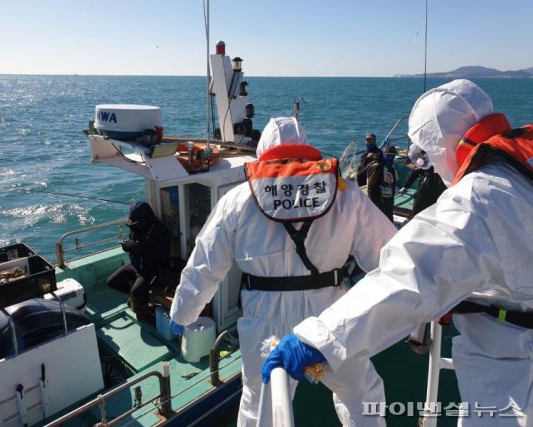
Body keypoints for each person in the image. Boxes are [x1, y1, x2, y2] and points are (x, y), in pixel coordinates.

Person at [262, 79, 533, 425]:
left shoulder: (478, 199)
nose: (430, 167)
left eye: (426, 153)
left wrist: (318, 339)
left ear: (442, 142)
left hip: (515, 368)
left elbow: (409, 275)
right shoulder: (517, 169)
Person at [169, 117, 397, 427]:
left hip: (264, 322)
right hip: (330, 316)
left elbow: (204, 265)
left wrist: (183, 314)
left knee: (259, 406)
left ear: (263, 153)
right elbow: (389, 256)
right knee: (361, 394)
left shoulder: (238, 199)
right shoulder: (344, 193)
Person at [106, 201, 170, 323]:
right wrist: (128, 247)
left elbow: (163, 256)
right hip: (135, 265)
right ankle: (138, 298)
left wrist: (141, 250)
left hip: (152, 268)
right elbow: (132, 241)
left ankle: (144, 310)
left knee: (137, 292)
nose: (135, 224)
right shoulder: (137, 227)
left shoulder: (161, 231)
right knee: (111, 281)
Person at [398, 153, 447, 218]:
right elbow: (415, 173)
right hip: (424, 189)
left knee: (432, 214)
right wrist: (406, 186)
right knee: (416, 212)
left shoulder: (446, 161)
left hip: (438, 191)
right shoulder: (427, 159)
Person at [366, 145, 399, 221]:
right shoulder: (377, 167)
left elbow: (395, 182)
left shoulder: (393, 170)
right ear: (384, 155)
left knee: (389, 218)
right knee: (378, 219)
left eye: (392, 156)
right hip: (380, 198)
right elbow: (371, 187)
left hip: (389, 199)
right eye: (388, 156)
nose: (390, 158)